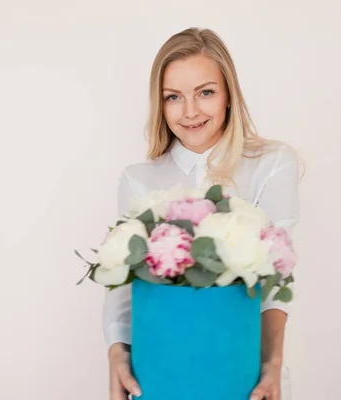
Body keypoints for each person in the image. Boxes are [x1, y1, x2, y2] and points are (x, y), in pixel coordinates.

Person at [103, 27, 301, 400]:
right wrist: (117, 355)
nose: (190, 111)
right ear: (159, 105)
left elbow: (278, 279)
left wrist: (272, 367)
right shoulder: (138, 179)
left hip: (244, 376)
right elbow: (124, 289)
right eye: (173, 97)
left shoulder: (271, 165)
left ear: (229, 95)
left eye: (205, 92)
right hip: (159, 375)